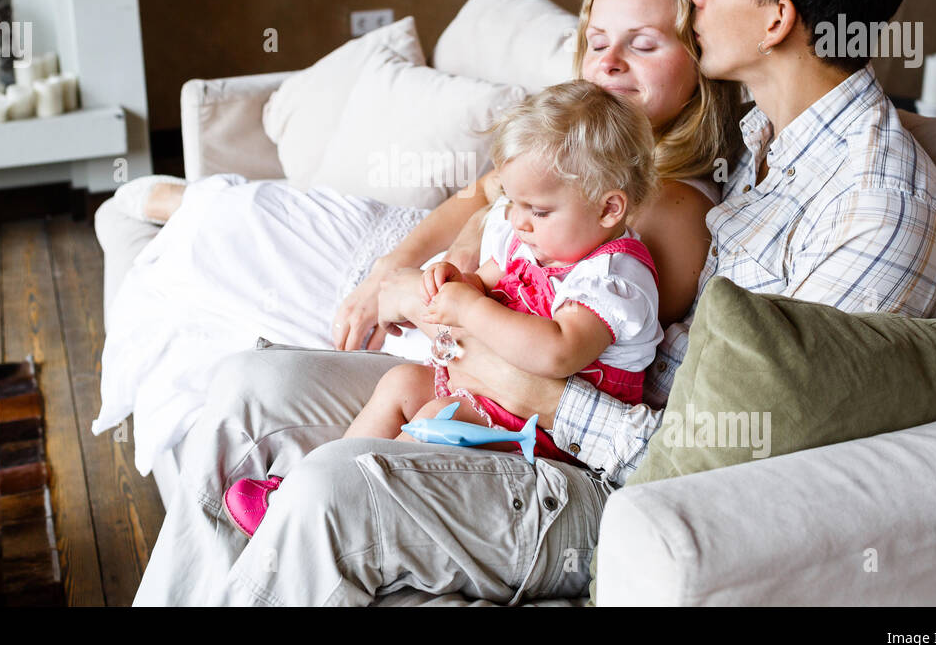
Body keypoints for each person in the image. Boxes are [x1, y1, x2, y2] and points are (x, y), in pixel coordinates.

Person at [166, 0, 936, 607]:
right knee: (248, 389)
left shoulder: (874, 211)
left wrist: (538, 389)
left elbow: (746, 468)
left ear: (778, 17)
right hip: (545, 408)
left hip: (620, 493)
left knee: (337, 487)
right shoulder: (767, 139)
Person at [128, 0, 741, 604]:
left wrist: (453, 298)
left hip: (527, 418)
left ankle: (181, 205)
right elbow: (478, 201)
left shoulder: (662, 213)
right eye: (597, 42)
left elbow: (560, 356)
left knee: (337, 465)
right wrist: (403, 271)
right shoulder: (567, 149)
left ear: (699, 61)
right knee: (247, 382)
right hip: (453, 331)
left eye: (642, 45)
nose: (610, 62)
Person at [222, 82, 668, 535]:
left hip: (548, 440)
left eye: (537, 209)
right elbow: (495, 276)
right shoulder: (543, 243)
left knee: (433, 418)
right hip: (493, 400)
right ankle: (304, 486)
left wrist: (472, 310)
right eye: (512, 203)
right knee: (400, 383)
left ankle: (342, 502)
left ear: (609, 208)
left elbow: (557, 352)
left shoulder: (614, 277)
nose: (516, 221)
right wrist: (460, 281)